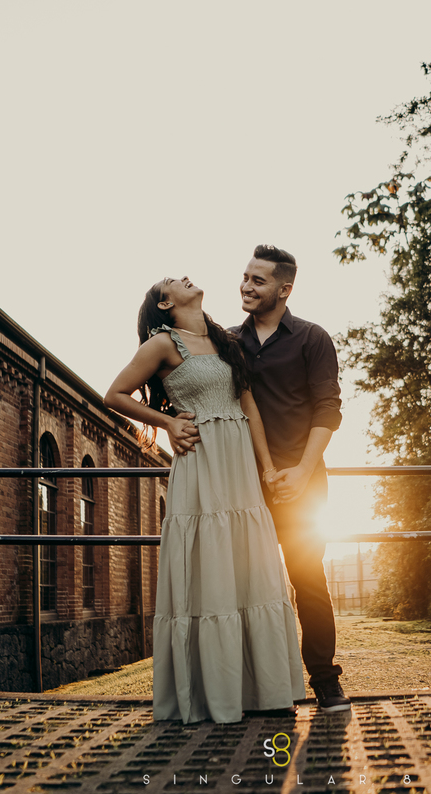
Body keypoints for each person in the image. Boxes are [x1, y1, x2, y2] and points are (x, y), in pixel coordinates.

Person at [104, 275, 304, 724]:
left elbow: (248, 405)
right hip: (202, 461)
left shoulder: (224, 339)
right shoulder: (161, 343)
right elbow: (113, 394)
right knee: (211, 564)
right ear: (165, 301)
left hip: (240, 467)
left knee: (250, 563)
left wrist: (268, 468)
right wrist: (169, 423)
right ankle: (215, 694)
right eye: (173, 280)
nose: (185, 277)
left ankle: (266, 691)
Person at [233, 244, 350, 712]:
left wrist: (302, 472)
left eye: (257, 280)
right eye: (244, 276)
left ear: (284, 289)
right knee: (244, 585)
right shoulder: (226, 341)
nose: (246, 286)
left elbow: (329, 409)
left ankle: (325, 681)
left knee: (308, 581)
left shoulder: (312, 338)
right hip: (242, 483)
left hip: (304, 485)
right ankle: (259, 690)